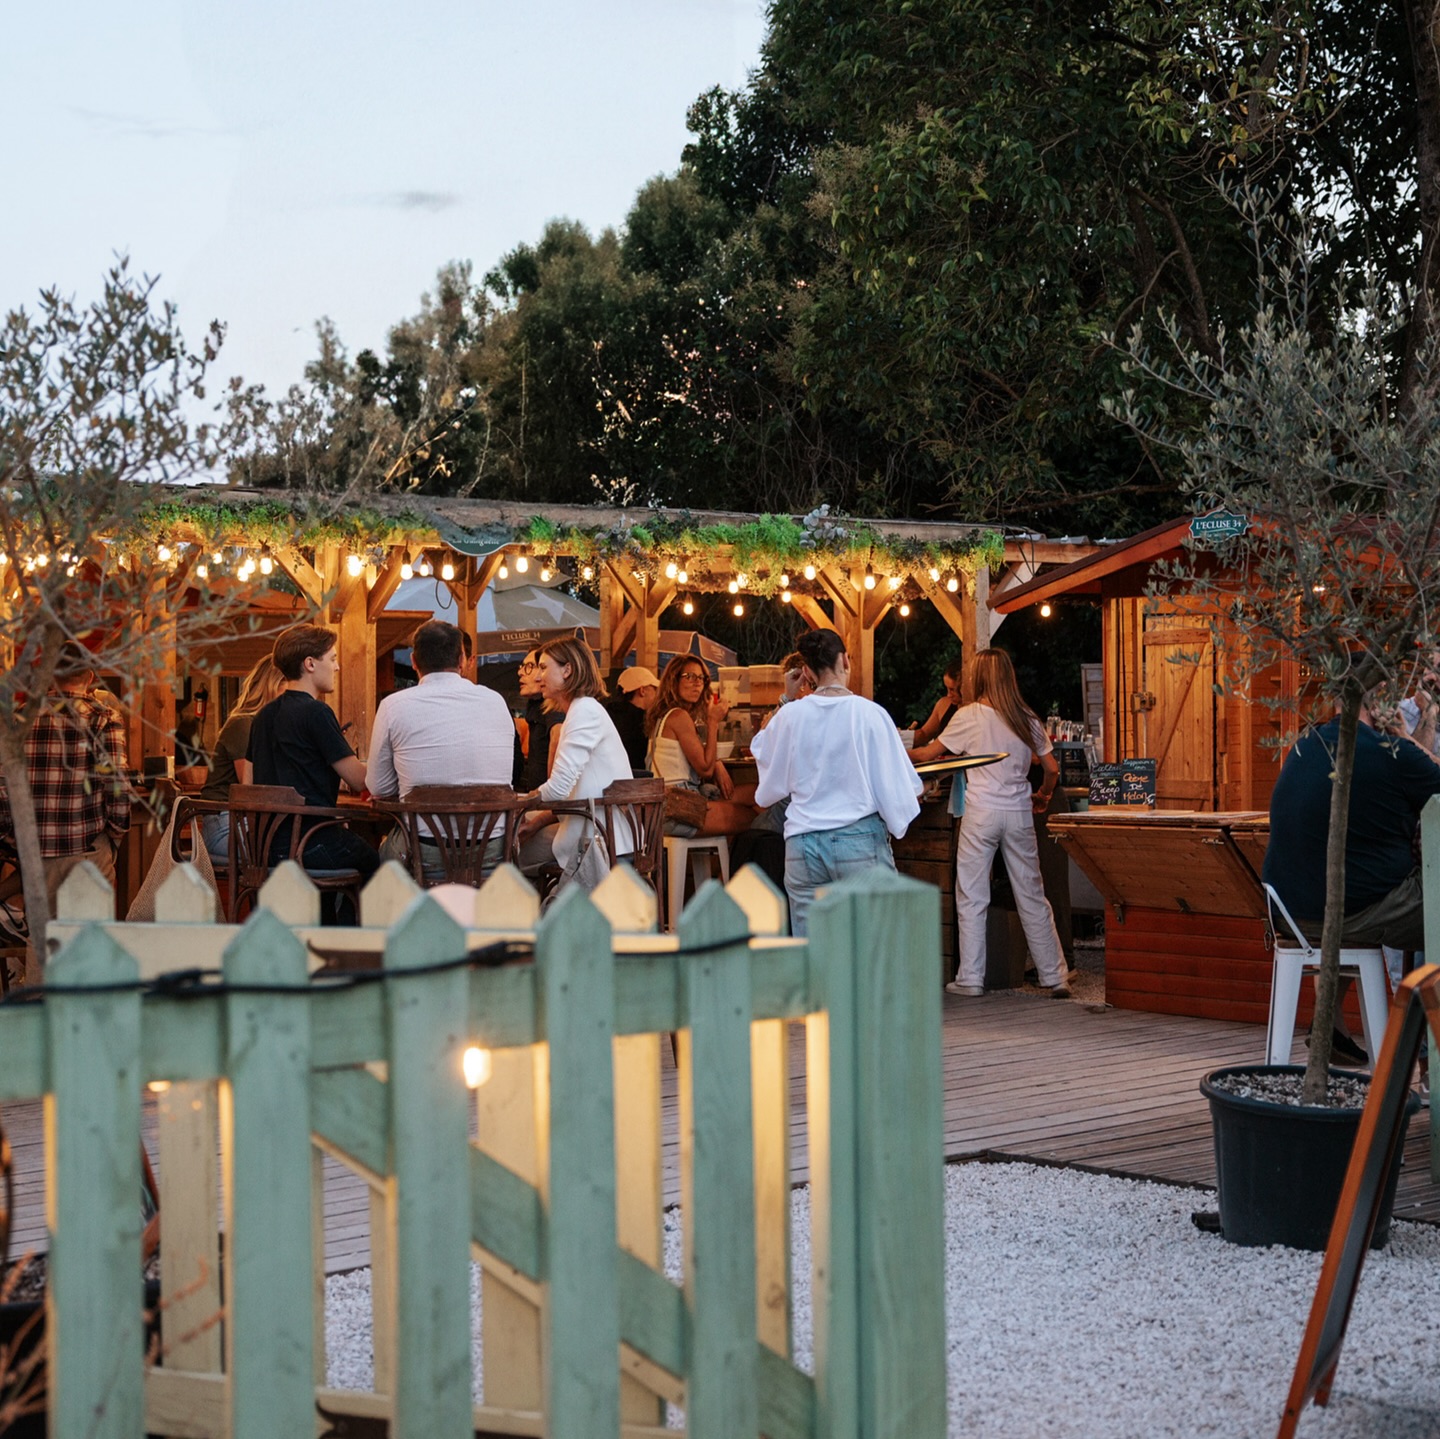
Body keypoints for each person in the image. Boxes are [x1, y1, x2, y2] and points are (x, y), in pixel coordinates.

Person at [910, 647, 1072, 998]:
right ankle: (1055, 975)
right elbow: (1051, 768)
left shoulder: (968, 716)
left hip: (981, 813)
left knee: (972, 894)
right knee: (1032, 894)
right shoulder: (1025, 716)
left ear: (978, 678)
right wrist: (1043, 795)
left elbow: (927, 754)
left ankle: (971, 978)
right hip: (1018, 813)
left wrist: (889, 749)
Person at [752, 630, 922, 937]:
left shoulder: (790, 715)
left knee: (814, 951)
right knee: (875, 949)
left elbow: (763, 751)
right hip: (857, 840)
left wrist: (787, 698)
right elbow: (897, 790)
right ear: (845, 659)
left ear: (806, 672)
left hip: (803, 847)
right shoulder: (871, 714)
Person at [1264, 689, 1440, 956]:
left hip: (1288, 914)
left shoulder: (1305, 744)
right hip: (1352, 915)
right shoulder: (1391, 753)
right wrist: (1402, 735)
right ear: (1379, 700)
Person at [0, 641, 132, 959]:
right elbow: (117, 786)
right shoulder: (103, 718)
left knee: (42, 947)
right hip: (87, 848)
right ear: (90, 676)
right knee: (90, 947)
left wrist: (14, 836)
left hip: (36, 852)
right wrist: (115, 833)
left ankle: (38, 989)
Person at [366, 621, 515, 883]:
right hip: (493, 854)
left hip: (424, 855)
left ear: (414, 661)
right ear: (462, 659)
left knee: (377, 856)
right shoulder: (496, 701)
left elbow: (378, 787)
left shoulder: (393, 706)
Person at [246, 623, 381, 900]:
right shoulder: (316, 712)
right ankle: (347, 928)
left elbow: (250, 783)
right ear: (310, 664)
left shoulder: (263, 716)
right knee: (380, 866)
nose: (337, 667)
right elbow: (358, 780)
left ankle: (325, 918)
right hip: (309, 844)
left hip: (266, 848)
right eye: (332, 659)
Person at [516, 636, 635, 889]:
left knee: (504, 853)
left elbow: (559, 788)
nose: (538, 676)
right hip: (597, 831)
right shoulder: (583, 709)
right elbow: (568, 792)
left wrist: (519, 803)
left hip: (598, 841)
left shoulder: (584, 710)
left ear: (567, 670)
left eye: (544, 667)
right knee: (514, 842)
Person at [646, 656, 758, 835]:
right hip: (677, 809)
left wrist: (717, 762)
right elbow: (705, 769)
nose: (697, 683)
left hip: (668, 805)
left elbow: (698, 755)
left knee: (756, 793)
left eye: (701, 678)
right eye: (689, 676)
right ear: (674, 680)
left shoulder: (665, 715)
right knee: (752, 817)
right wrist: (713, 721)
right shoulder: (678, 716)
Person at [197, 656, 286, 863]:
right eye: (290, 691)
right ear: (272, 686)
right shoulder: (243, 724)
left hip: (247, 822)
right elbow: (253, 786)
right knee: (296, 851)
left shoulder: (267, 727)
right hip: (226, 825)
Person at [516, 648, 562, 793]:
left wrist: (551, 791)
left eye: (529, 666)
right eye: (522, 666)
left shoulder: (553, 702)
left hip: (549, 798)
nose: (520, 672)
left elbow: (558, 737)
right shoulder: (535, 703)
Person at [606, 665, 659, 771]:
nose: (657, 695)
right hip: (635, 778)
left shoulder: (608, 715)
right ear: (642, 691)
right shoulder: (644, 723)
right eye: (654, 689)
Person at [911, 655, 966, 746]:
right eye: (947, 689)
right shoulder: (943, 705)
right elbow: (924, 734)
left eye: (952, 690)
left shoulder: (977, 711)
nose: (949, 695)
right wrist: (899, 737)